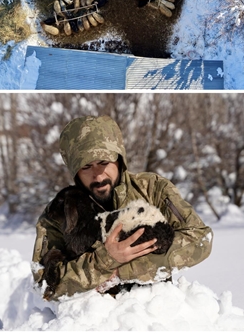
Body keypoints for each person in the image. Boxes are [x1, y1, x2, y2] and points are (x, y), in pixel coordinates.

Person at [32, 115, 213, 300]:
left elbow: (200, 238)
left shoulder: (152, 189)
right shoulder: (59, 213)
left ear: (119, 160)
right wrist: (103, 261)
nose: (98, 175)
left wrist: (123, 271)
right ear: (75, 171)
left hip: (154, 311)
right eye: (86, 166)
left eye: (104, 162)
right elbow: (43, 285)